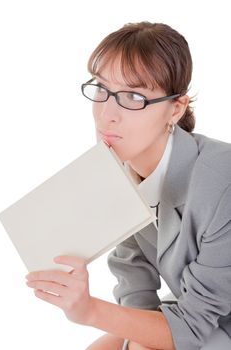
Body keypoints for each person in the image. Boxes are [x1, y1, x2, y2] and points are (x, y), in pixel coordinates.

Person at [26, 22, 231, 350]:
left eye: (133, 97)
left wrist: (88, 309)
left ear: (175, 109)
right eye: (102, 90)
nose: (107, 114)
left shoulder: (222, 183)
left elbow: (193, 327)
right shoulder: (120, 174)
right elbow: (138, 300)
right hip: (202, 316)